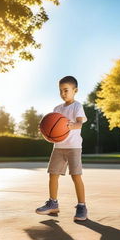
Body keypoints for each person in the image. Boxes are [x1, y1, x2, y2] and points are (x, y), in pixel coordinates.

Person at [36, 76, 88, 221]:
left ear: (75, 90)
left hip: (74, 147)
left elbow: (79, 123)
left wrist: (72, 126)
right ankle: (53, 203)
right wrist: (43, 128)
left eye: (66, 90)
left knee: (76, 176)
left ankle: (82, 206)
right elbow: (51, 126)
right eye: (60, 91)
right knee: (53, 174)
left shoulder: (77, 106)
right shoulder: (57, 109)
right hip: (58, 147)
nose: (63, 93)